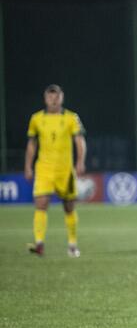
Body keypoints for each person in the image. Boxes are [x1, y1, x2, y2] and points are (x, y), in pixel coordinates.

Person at [24, 84, 87, 257]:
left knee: (69, 207)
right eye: (50, 96)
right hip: (44, 169)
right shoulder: (36, 119)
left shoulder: (71, 118)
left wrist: (80, 161)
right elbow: (32, 144)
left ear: (62, 97)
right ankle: (39, 244)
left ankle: (72, 245)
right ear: (45, 98)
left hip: (65, 170)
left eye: (56, 96)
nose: (53, 99)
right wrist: (28, 166)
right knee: (41, 204)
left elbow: (79, 141)